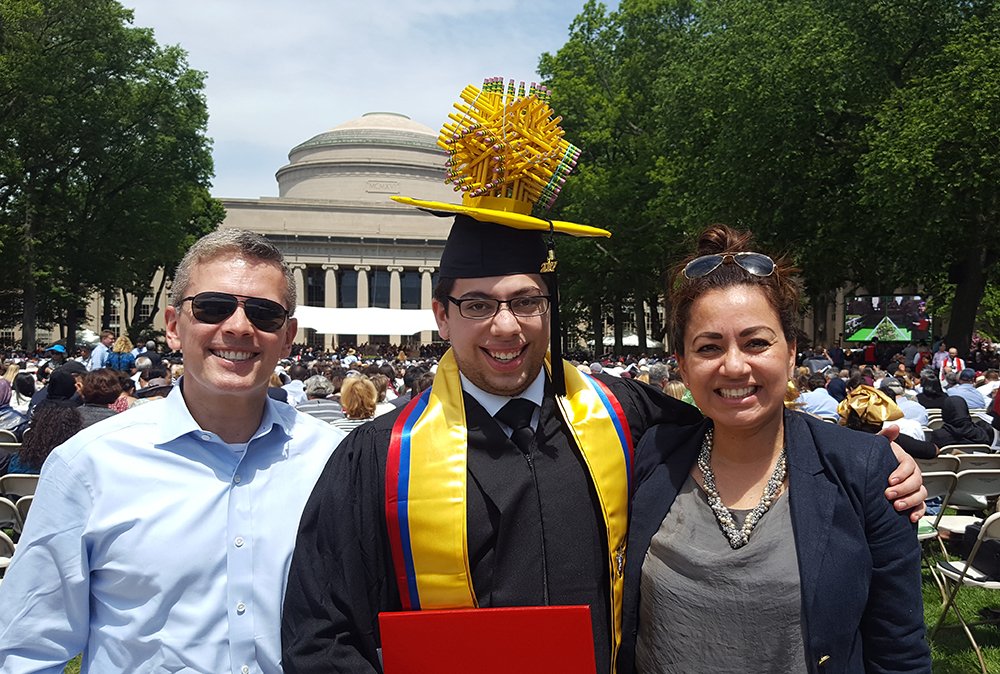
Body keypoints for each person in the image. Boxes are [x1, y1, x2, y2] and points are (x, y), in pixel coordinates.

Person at [281, 83, 924, 674]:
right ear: (441, 315)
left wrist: (866, 459)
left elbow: (738, 408)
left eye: (526, 301)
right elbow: (322, 634)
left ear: (548, 308)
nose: (505, 326)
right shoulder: (378, 461)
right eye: (477, 305)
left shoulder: (621, 416)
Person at [0, 229, 348, 673]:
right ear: (172, 326)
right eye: (212, 307)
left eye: (264, 313)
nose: (239, 327)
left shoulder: (336, 461)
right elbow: (29, 651)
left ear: (288, 336)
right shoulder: (89, 465)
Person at [619, 225, 930, 673]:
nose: (734, 365)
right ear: (683, 367)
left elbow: (899, 649)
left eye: (756, 343)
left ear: (790, 352)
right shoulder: (650, 455)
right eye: (709, 347)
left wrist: (876, 457)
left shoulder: (865, 472)